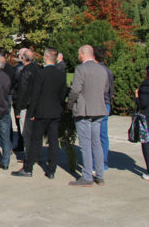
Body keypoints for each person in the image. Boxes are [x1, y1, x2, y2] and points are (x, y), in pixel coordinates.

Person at [12, 48, 67, 179]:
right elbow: (62, 93)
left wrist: (31, 113)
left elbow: (35, 94)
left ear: (46, 57)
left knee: (35, 140)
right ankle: (51, 170)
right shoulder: (61, 74)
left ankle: (28, 168)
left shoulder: (41, 73)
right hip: (54, 111)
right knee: (53, 142)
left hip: (41, 111)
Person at [67, 45, 109, 187]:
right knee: (96, 142)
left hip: (84, 110)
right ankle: (100, 175)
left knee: (85, 144)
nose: (78, 56)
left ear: (83, 54)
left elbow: (75, 90)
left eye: (79, 54)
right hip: (99, 109)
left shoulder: (81, 69)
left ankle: (87, 176)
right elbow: (106, 89)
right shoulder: (102, 69)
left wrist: (70, 104)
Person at [14, 49, 40, 161]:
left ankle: (29, 157)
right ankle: (35, 155)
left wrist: (18, 109)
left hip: (26, 104)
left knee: (26, 132)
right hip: (35, 103)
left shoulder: (25, 71)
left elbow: (22, 91)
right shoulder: (38, 69)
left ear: (23, 58)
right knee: (34, 133)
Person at [94, 46, 114, 171]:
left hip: (97, 104)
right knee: (103, 135)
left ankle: (96, 163)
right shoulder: (108, 71)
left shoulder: (96, 71)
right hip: (106, 103)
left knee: (95, 135)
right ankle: (103, 162)